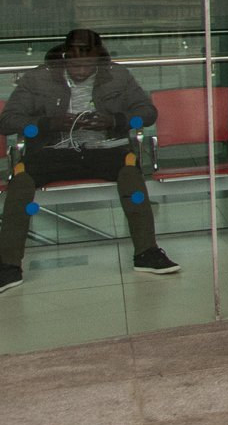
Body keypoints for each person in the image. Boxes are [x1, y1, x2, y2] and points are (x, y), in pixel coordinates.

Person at [1, 29, 179, 293]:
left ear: (99, 57)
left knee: (131, 177)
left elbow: (147, 113)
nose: (81, 70)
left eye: (88, 63)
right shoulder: (38, 78)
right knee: (20, 184)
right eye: (74, 63)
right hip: (52, 152)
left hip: (107, 150)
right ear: (65, 55)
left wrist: (116, 121)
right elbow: (7, 122)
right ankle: (8, 267)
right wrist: (47, 124)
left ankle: (146, 253)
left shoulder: (118, 75)